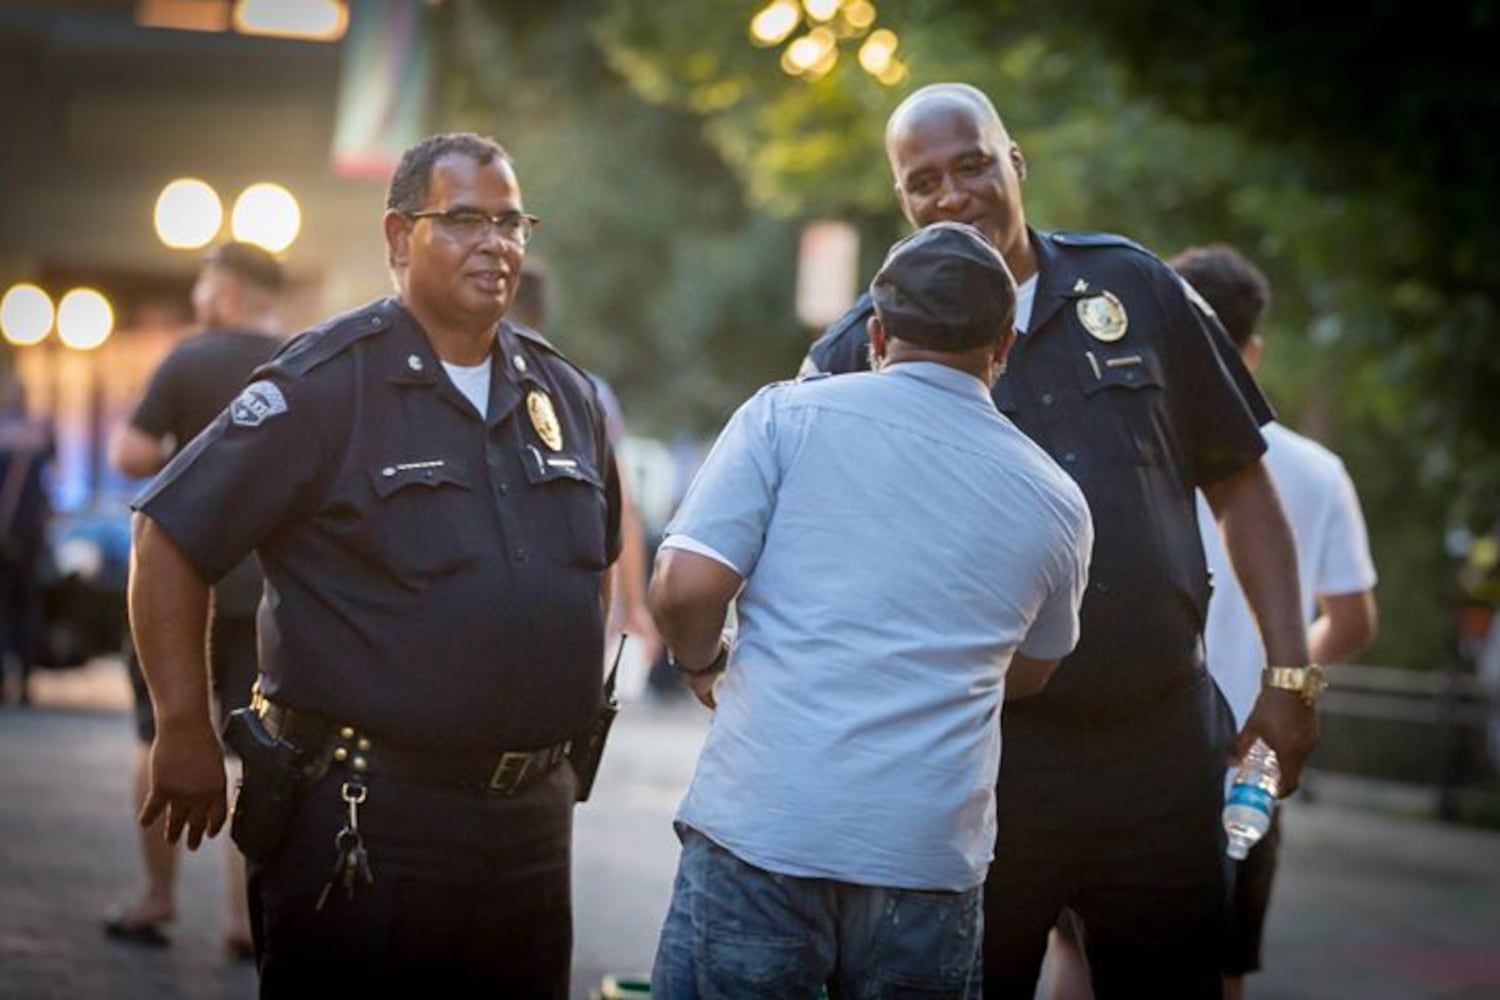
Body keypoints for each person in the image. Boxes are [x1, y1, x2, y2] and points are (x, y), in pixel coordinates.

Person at [801, 83, 1319, 997]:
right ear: (901, 199)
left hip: (1157, 746)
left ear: (1015, 161)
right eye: (923, 182)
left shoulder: (1138, 287)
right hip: (973, 764)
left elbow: (1243, 484)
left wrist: (1287, 678)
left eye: (972, 164)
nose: (953, 194)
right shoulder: (864, 345)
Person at [126, 132, 621, 995]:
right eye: (463, 219)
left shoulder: (564, 394)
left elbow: (593, 563)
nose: (495, 243)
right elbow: (168, 536)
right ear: (399, 238)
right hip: (367, 816)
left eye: (511, 223)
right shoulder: (325, 384)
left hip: (531, 824)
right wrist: (181, 726)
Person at [650, 221, 1095, 998]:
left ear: (879, 333)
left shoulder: (785, 419)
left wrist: (703, 665)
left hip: (766, 828)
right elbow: (1031, 670)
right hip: (925, 857)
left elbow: (685, 588)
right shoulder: (1056, 499)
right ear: (1006, 344)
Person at [1174, 243, 1377, 998]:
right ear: (1252, 352)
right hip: (1254, 760)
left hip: (1131, 745)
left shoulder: (1127, 452)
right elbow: (1352, 620)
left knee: (1085, 953)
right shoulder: (1317, 471)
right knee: (1222, 965)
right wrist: (1284, 683)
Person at [101, 240, 286, 957]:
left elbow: (127, 453)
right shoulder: (306, 358)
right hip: (272, 593)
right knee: (260, 757)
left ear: (231, 292)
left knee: (158, 734)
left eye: (206, 285)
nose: (199, 299)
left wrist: (188, 445)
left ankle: (157, 899)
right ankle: (243, 920)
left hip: (185, 585)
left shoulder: (189, 359)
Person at [510, 257, 662, 695]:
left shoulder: (577, 391)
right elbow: (622, 508)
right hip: (572, 608)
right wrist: (634, 604)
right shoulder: (586, 390)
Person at [0, 373, 53, 706]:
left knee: (3, 605)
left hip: (4, 528)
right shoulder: (39, 430)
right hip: (30, 529)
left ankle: (4, 677)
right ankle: (25, 678)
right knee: (27, 604)